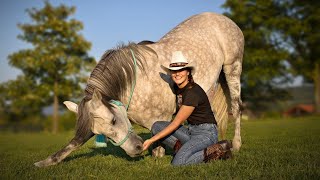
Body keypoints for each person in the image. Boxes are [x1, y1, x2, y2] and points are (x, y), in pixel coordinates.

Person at [142, 51, 232, 166]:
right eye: (174, 71)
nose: (177, 74)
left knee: (178, 163)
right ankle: (182, 149)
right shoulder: (179, 87)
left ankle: (218, 149)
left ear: (188, 72)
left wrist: (151, 140)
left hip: (206, 134)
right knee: (156, 126)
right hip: (191, 131)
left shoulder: (192, 92)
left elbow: (176, 123)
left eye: (180, 70)